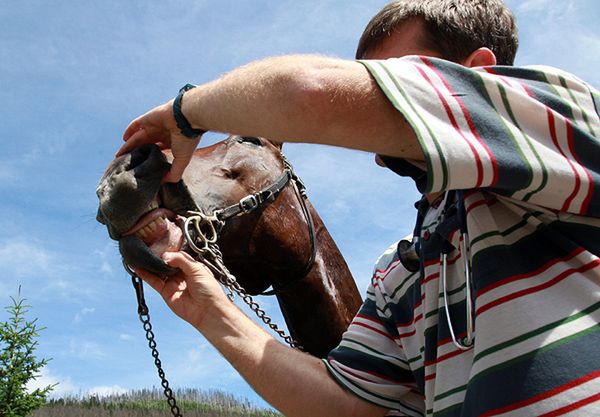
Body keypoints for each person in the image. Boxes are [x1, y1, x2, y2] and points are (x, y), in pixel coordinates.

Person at [118, 1, 600, 415]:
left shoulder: (562, 128)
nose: (377, 96)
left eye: (397, 78)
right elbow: (344, 404)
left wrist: (186, 112)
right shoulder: (400, 270)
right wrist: (207, 309)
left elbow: (309, 92)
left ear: (478, 74)